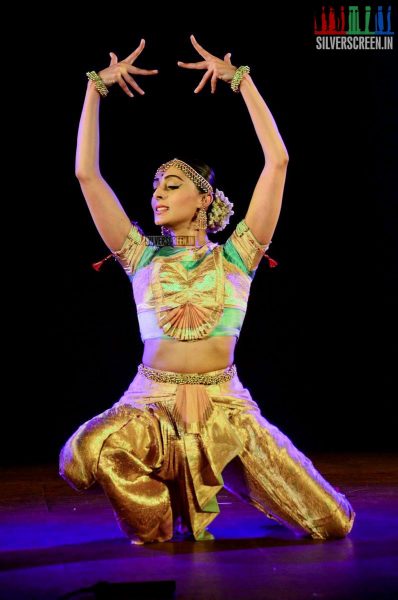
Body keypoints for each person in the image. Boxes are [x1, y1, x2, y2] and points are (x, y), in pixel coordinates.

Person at [59, 35, 355, 544]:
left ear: (204, 199)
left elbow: (278, 162)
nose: (157, 194)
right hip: (149, 403)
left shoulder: (238, 255)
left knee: (332, 524)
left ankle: (207, 483)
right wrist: (94, 89)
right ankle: (161, 514)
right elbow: (87, 174)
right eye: (154, 186)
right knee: (85, 454)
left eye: (171, 184)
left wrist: (242, 81)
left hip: (227, 409)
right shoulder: (141, 256)